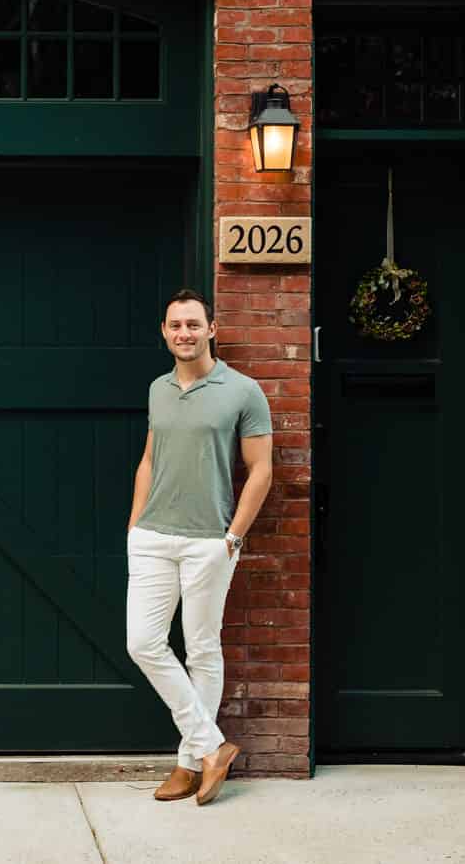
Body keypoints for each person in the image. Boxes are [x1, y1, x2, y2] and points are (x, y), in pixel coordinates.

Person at [125, 288, 273, 806]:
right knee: (143, 643)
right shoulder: (158, 389)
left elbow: (261, 471)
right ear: (164, 332)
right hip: (152, 538)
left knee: (203, 648)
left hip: (210, 539)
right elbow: (149, 458)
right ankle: (212, 746)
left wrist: (233, 537)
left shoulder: (244, 391)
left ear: (212, 329)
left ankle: (189, 765)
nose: (183, 333)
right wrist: (134, 523)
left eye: (193, 324)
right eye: (174, 325)